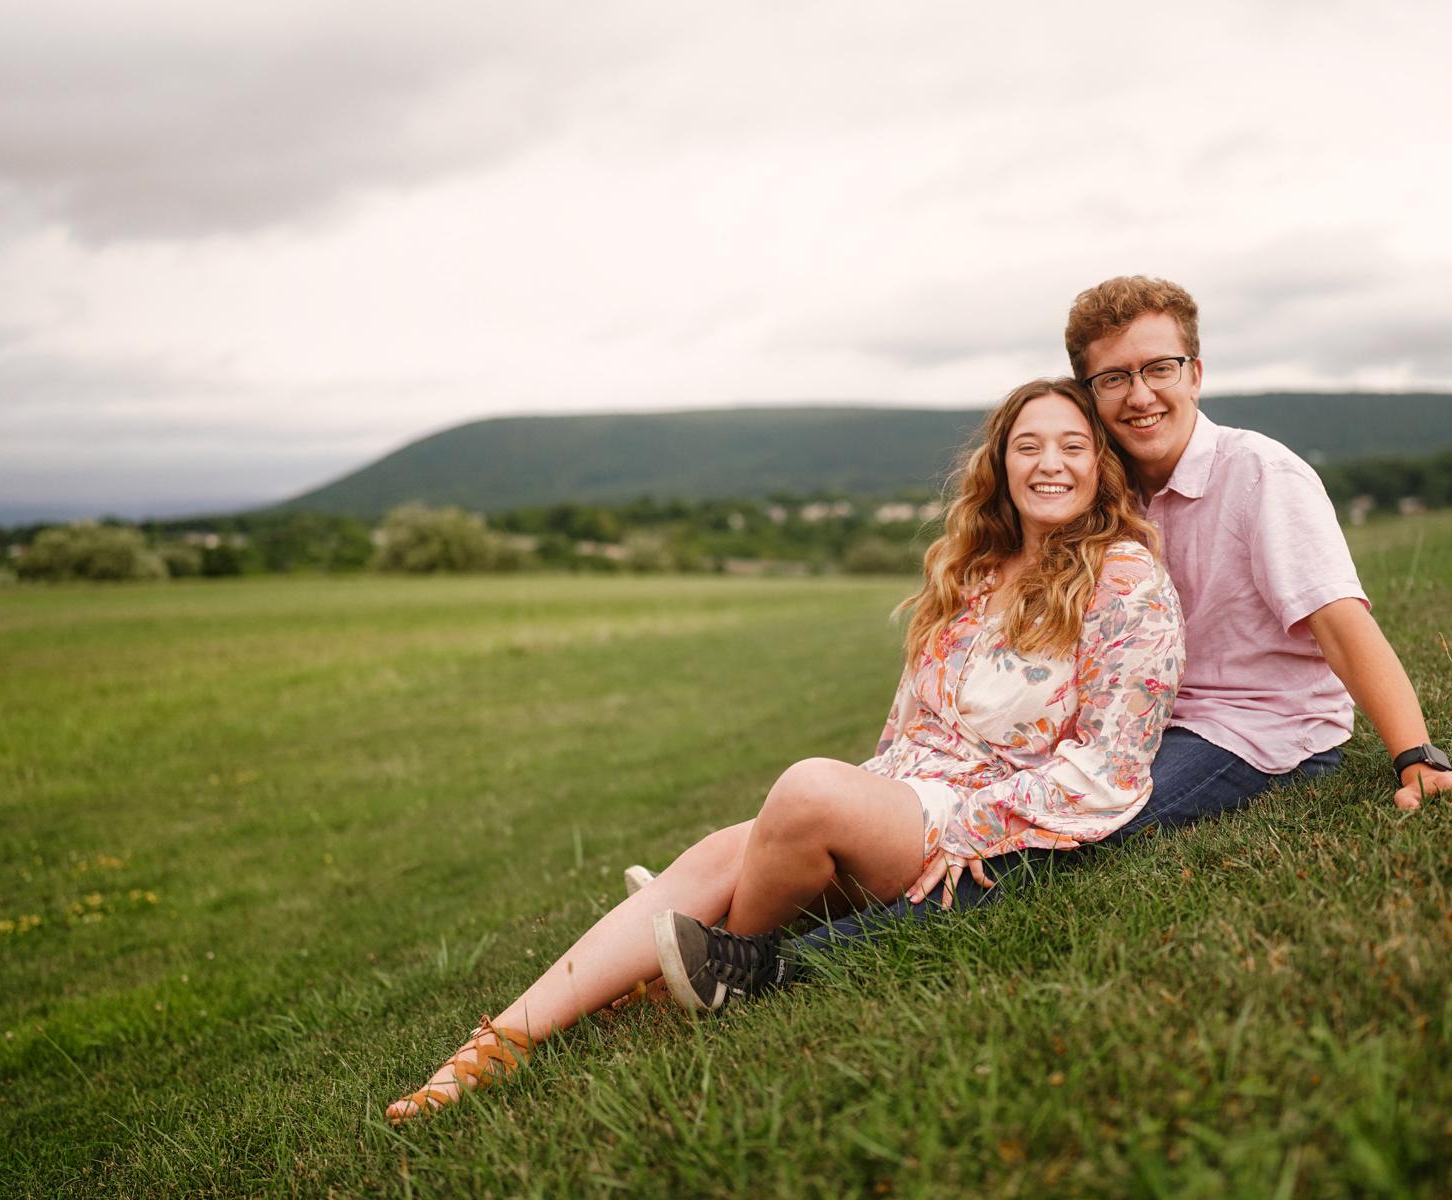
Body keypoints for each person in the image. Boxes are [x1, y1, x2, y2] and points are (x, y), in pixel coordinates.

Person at [385, 378, 1183, 1122]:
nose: (1050, 463)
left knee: (804, 792)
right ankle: (491, 1050)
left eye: (1073, 446)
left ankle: (699, 971)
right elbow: (908, 731)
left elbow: (1112, 764)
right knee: (722, 851)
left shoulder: (1125, 580)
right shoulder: (975, 569)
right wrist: (867, 805)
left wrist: (975, 824)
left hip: (979, 821)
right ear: (1002, 463)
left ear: (1102, 465)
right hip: (901, 799)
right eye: (1029, 445)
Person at [744, 275, 1452, 961]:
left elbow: (1344, 626)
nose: (1140, 394)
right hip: (1137, 725)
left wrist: (1418, 755)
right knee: (1040, 801)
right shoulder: (1108, 490)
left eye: (1159, 368)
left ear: (1196, 373)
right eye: (1114, 378)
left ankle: (798, 962)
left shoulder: (1261, 475)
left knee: (1068, 844)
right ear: (1090, 391)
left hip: (1249, 731)